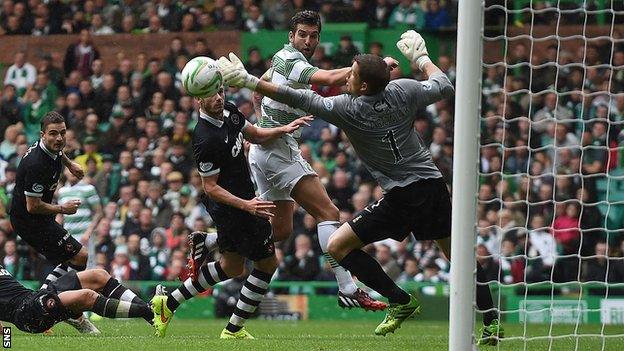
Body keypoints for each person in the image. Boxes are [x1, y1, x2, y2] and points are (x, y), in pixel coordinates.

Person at [218, 29, 504, 344]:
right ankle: (491, 319)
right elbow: (442, 84)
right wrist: (422, 59)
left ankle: (400, 300)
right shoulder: (403, 90)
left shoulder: (348, 108)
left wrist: (249, 81)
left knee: (338, 247)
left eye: (352, 75)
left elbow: (299, 96)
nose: (347, 78)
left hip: (402, 196)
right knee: (459, 256)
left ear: (363, 85)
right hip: (432, 186)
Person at [150, 84, 312, 339]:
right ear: (197, 100)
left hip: (241, 204)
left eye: (220, 91)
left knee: (232, 267)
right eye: (210, 94)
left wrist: (283, 129)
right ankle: (234, 328)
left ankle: (168, 304)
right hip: (235, 208)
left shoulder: (229, 111)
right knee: (268, 263)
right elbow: (210, 187)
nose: (217, 98)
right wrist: (247, 205)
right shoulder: (204, 137)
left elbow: (255, 135)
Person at [249, 10, 386, 311]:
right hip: (278, 151)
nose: (308, 41)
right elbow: (328, 78)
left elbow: (258, 92)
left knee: (281, 230)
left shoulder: (279, 61)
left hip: (266, 150)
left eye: (313, 36)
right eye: (302, 34)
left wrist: (262, 125)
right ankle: (347, 286)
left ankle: (215, 241)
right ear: (291, 36)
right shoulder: (292, 61)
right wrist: (372, 68)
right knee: (328, 210)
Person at [8, 111, 99, 333]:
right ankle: (48, 303)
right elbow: (33, 206)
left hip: (39, 217)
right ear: (42, 135)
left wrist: (69, 164)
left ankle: (46, 301)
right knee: (80, 257)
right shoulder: (35, 164)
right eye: (53, 134)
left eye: (63, 133)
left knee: (75, 259)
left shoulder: (51, 148)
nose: (59, 138)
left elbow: (58, 152)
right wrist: (62, 209)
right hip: (30, 220)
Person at [0, 264, 152, 334]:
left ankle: (152, 315)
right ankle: (151, 311)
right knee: (87, 296)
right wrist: (8, 336)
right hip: (25, 312)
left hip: (34, 296)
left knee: (99, 276)